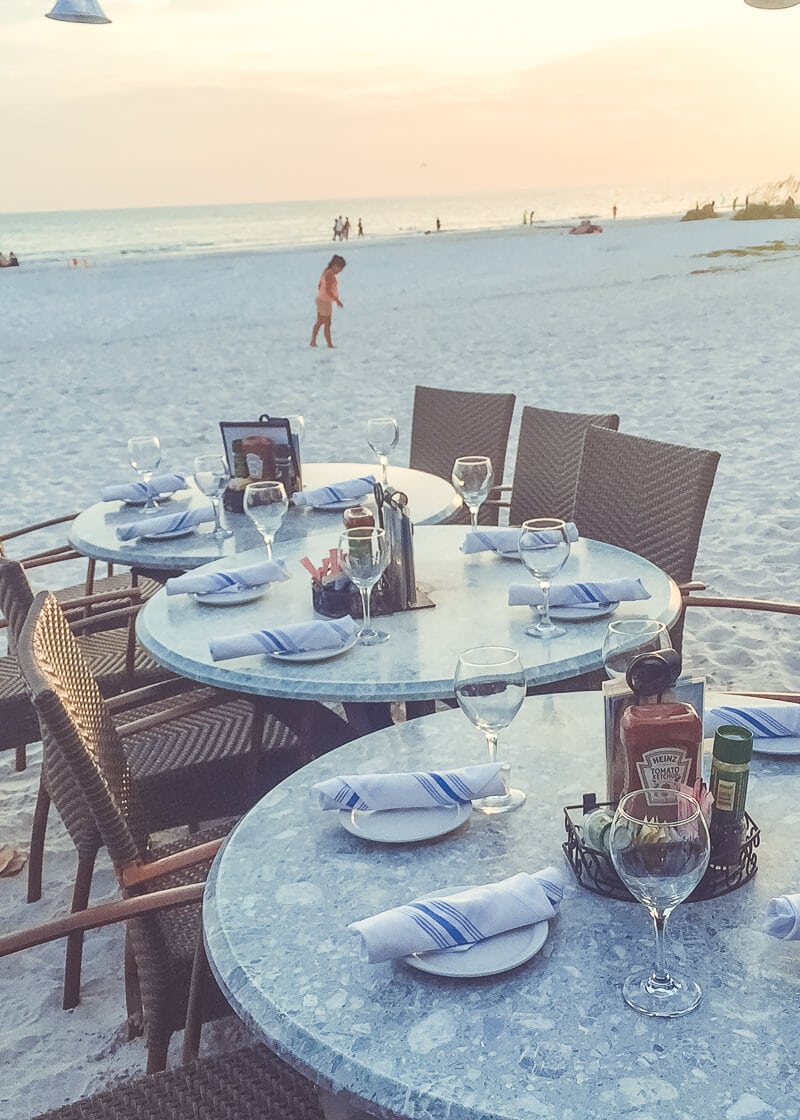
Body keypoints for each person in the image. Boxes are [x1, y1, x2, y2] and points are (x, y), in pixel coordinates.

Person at [310, 254, 346, 349]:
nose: (340, 272)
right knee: (327, 323)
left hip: (321, 299)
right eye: (340, 269)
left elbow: (319, 285)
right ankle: (329, 344)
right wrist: (337, 300)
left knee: (320, 322)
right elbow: (328, 290)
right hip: (325, 302)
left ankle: (313, 341)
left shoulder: (326, 271)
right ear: (335, 266)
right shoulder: (330, 274)